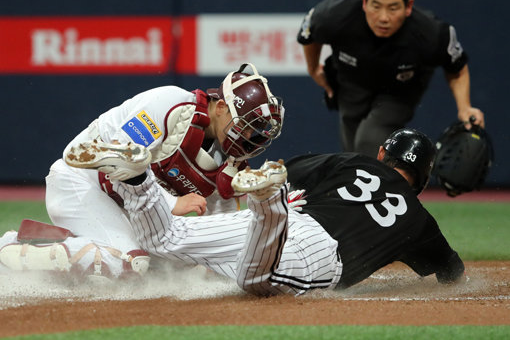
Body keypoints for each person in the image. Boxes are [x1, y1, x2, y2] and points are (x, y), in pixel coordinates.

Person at [8, 127, 459, 295]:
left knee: (161, 240)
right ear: (424, 181)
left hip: (290, 220)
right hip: (316, 255)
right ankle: (269, 204)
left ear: (382, 154)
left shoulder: (356, 164)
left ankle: (137, 177)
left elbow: (296, 167)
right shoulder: (422, 222)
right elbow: (452, 276)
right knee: (255, 281)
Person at [0, 63, 284, 281]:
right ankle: (11, 251)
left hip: (123, 208)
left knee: (169, 272)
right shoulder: (172, 104)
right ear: (221, 106)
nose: (249, 136)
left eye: (255, 131)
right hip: (83, 182)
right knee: (129, 263)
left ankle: (46, 241)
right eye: (246, 125)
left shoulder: (228, 165)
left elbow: (216, 231)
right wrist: (173, 203)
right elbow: (119, 160)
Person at [297, 0, 485, 157]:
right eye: (376, 6)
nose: (383, 18)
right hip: (351, 83)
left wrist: (465, 107)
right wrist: (313, 68)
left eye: (393, 8)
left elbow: (457, 69)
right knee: (352, 152)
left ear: (408, 7)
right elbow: (309, 33)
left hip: (400, 91)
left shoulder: (432, 34)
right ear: (364, 2)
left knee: (369, 139)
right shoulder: (335, 15)